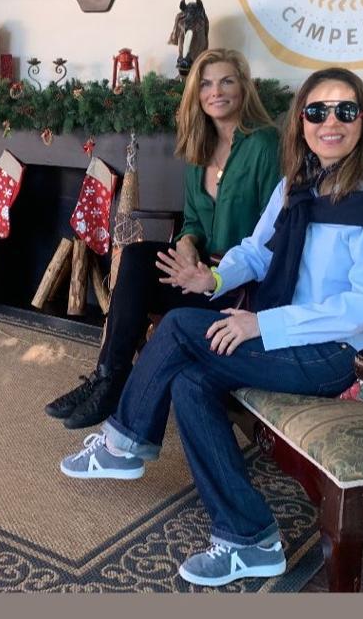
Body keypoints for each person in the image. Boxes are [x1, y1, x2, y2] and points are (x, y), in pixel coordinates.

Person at [58, 67, 363, 588]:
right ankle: (250, 540)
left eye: (344, 110)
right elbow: (256, 250)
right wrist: (215, 277)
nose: (329, 122)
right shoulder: (300, 183)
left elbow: (362, 310)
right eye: (316, 112)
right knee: (188, 379)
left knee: (179, 327)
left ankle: (126, 440)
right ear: (302, 123)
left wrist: (260, 324)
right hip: (290, 335)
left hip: (339, 354)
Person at [45, 49, 281, 429]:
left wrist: (215, 271)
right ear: (196, 94)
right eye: (205, 84)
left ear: (244, 88)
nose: (215, 92)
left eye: (226, 81)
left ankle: (111, 383)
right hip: (199, 273)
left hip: (241, 286)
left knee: (139, 268)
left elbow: (275, 233)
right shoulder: (198, 149)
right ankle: (107, 377)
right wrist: (186, 244)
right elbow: (193, 222)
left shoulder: (265, 144)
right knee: (138, 256)